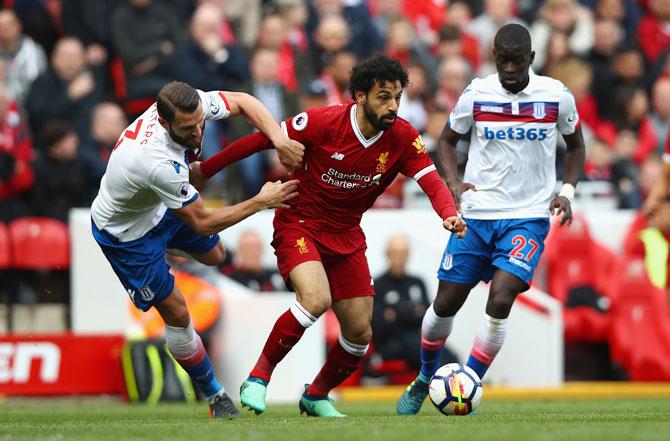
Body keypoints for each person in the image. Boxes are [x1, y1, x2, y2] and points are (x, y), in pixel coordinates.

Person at [191, 54, 467, 417]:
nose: (393, 106)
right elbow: (260, 142)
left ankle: (316, 395)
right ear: (360, 96)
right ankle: (258, 378)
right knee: (316, 299)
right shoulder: (322, 122)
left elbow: (430, 180)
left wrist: (449, 213)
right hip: (300, 222)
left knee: (359, 333)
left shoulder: (402, 136)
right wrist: (207, 169)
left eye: (398, 97)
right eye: (384, 96)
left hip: (347, 234)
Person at [395, 24, 586, 415]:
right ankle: (425, 378)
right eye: (503, 60)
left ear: (531, 59)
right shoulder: (477, 92)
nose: (510, 68)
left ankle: (468, 381)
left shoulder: (556, 96)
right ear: (494, 58)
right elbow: (446, 140)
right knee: (445, 305)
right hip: (478, 217)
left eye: (517, 60)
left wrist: (566, 191)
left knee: (501, 298)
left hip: (527, 217)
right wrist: (454, 183)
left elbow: (577, 146)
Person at [90, 81, 302, 418]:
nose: (198, 131)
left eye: (200, 122)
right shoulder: (155, 161)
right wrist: (262, 201)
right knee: (177, 312)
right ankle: (215, 396)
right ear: (163, 123)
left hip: (160, 207)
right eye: (188, 128)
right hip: (126, 236)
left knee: (216, 257)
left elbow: (244, 101)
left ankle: (170, 246)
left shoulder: (190, 106)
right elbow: (202, 223)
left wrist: (279, 141)